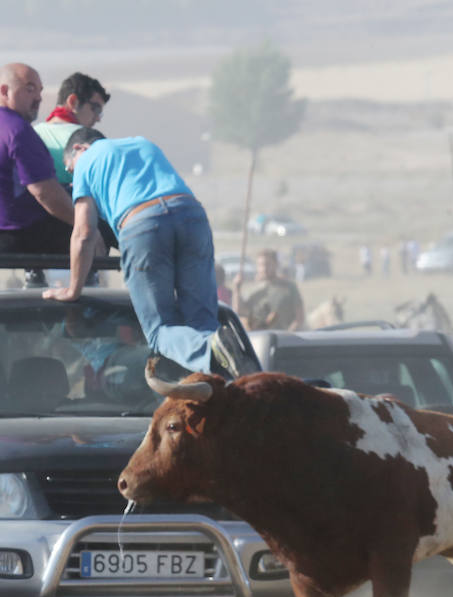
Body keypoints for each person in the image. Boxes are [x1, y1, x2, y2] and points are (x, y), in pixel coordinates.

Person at [43, 127, 251, 378]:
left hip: (142, 224)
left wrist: (72, 290)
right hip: (191, 216)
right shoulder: (141, 143)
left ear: (79, 148)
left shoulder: (87, 159)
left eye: (70, 170)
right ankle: (231, 365)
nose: (73, 179)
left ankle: (211, 349)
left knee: (160, 330)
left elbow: (84, 232)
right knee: (202, 322)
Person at [0, 63, 75, 266]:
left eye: (40, 90)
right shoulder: (16, 130)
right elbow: (45, 193)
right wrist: (85, 227)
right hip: (15, 238)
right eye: (30, 88)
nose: (39, 97)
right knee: (92, 222)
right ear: (5, 91)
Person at [34, 72, 109, 186]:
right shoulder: (91, 139)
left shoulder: (32, 133)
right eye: (96, 109)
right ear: (73, 101)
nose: (98, 118)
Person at [236, 248, 304, 330]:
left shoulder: (289, 287)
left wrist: (289, 335)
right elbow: (240, 311)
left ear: (276, 264)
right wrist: (237, 289)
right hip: (259, 339)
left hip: (283, 338)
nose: (264, 269)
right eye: (260, 265)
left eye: (267, 264)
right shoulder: (253, 290)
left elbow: (299, 318)